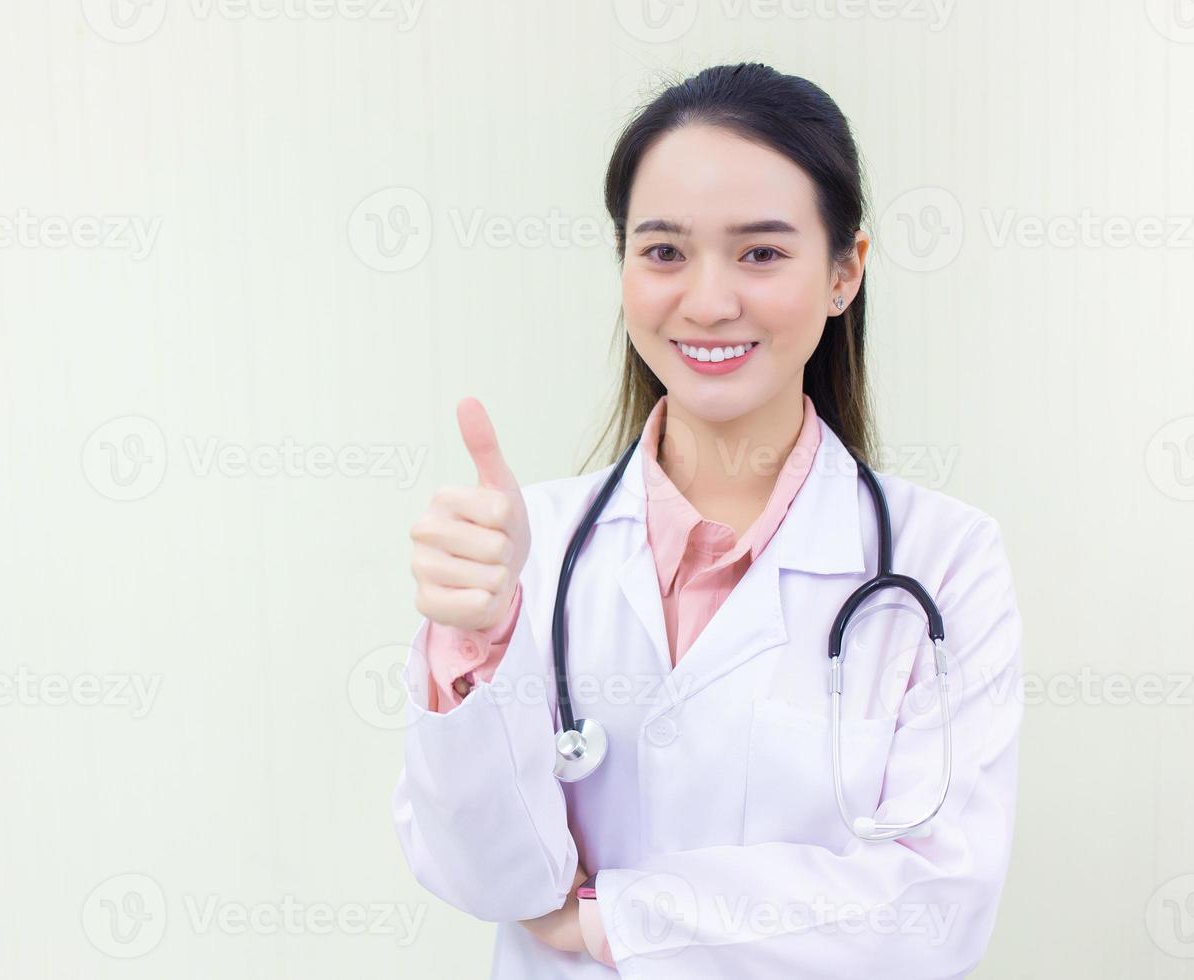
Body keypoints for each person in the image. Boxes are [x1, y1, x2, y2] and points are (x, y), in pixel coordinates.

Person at [392, 62, 1023, 978]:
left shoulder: (945, 561)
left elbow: (935, 912)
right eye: (663, 252)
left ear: (846, 271)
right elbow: (486, 878)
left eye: (762, 252)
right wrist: (479, 640)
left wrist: (623, 921)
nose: (708, 300)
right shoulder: (523, 549)